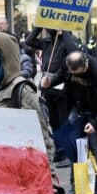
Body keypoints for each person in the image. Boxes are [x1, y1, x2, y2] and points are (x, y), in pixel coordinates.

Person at [0, 32, 55, 170]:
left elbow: (42, 139)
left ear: (2, 57)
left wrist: (47, 175)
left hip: (13, 172)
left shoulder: (22, 91)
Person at [41, 51, 97, 194]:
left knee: (96, 149)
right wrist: (49, 82)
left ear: (86, 65)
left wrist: (95, 123)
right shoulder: (69, 64)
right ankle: (75, 185)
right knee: (73, 146)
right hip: (78, 109)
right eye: (72, 72)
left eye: (78, 73)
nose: (74, 75)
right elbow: (60, 76)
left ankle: (95, 188)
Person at [26, 26, 78, 168]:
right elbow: (29, 41)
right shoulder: (47, 41)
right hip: (48, 85)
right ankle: (59, 151)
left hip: (63, 85)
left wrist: (64, 31)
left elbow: (73, 52)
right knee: (54, 121)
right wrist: (38, 26)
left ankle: (69, 153)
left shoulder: (68, 39)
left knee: (64, 121)